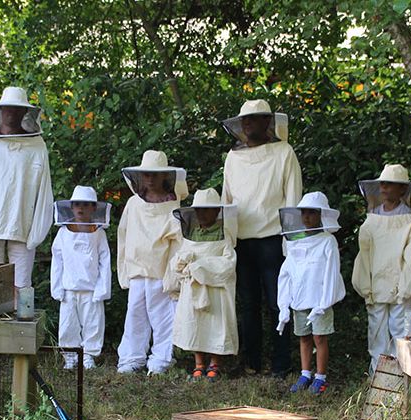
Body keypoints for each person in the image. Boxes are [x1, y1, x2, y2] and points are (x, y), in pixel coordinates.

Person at [220, 99, 303, 378]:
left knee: (277, 304)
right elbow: (226, 201)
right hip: (243, 240)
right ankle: (251, 361)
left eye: (253, 119)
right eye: (244, 120)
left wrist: (292, 242)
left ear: (267, 122)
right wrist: (226, 240)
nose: (247, 124)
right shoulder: (233, 157)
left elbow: (293, 199)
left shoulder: (284, 152)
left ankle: (281, 364)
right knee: (248, 303)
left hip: (273, 240)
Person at [0, 87, 54, 297]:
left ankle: (20, 329)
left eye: (15, 109)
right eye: (7, 108)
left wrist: (38, 229)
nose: (10, 113)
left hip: (23, 223)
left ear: (23, 113)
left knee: (22, 288)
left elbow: (44, 190)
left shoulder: (37, 146)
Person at [116, 150, 188, 375]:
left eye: (155, 175)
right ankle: (131, 358)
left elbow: (179, 243)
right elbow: (123, 235)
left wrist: (174, 275)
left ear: (165, 176)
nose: (150, 178)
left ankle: (161, 359)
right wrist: (124, 270)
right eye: (146, 174)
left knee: (163, 318)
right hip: (137, 270)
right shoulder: (132, 203)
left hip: (162, 272)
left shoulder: (174, 206)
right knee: (135, 315)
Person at [351, 164, 411, 374]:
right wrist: (366, 285)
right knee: (376, 335)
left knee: (402, 336)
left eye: (389, 184)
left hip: (401, 288)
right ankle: (378, 381)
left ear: (402, 189)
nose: (383, 188)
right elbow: (364, 255)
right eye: (382, 183)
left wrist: (407, 288)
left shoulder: (409, 221)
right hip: (375, 287)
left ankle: (401, 380)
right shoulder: (372, 219)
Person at [276, 192, 345, 395]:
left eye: (311, 213)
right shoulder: (294, 240)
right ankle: (305, 374)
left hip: (320, 301)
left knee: (320, 338)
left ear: (321, 215)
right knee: (304, 338)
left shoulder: (327, 241)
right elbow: (286, 274)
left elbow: (332, 273)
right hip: (299, 300)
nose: (307, 217)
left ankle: (320, 378)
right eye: (303, 213)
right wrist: (283, 307)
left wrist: (324, 303)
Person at [166, 189, 238, 382]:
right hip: (192, 288)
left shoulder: (225, 234)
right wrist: (182, 262)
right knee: (195, 325)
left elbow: (228, 264)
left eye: (206, 210)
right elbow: (178, 263)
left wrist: (202, 267)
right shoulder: (190, 233)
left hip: (216, 291)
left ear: (216, 212)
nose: (202, 214)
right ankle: (198, 364)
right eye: (198, 210)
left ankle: (215, 364)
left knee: (216, 325)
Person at [51, 186, 112, 370]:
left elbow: (105, 262)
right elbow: (57, 262)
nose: (80, 208)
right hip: (69, 288)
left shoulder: (99, 233)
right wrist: (57, 288)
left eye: (85, 205)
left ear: (93, 208)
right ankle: (70, 357)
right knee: (68, 325)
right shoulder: (63, 233)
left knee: (93, 324)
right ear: (71, 207)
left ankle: (88, 356)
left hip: (91, 289)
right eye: (77, 204)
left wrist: (102, 289)